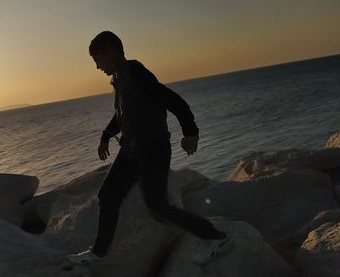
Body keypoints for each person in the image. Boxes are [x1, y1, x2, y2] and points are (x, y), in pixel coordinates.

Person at [67, 31, 231, 265]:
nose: (97, 67)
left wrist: (190, 132)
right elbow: (121, 115)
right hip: (131, 150)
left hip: (153, 149)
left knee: (157, 206)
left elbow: (174, 101)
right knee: (108, 194)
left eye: (97, 60)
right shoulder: (120, 78)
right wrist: (105, 136)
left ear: (110, 52)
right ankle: (99, 252)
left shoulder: (136, 74)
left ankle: (216, 237)